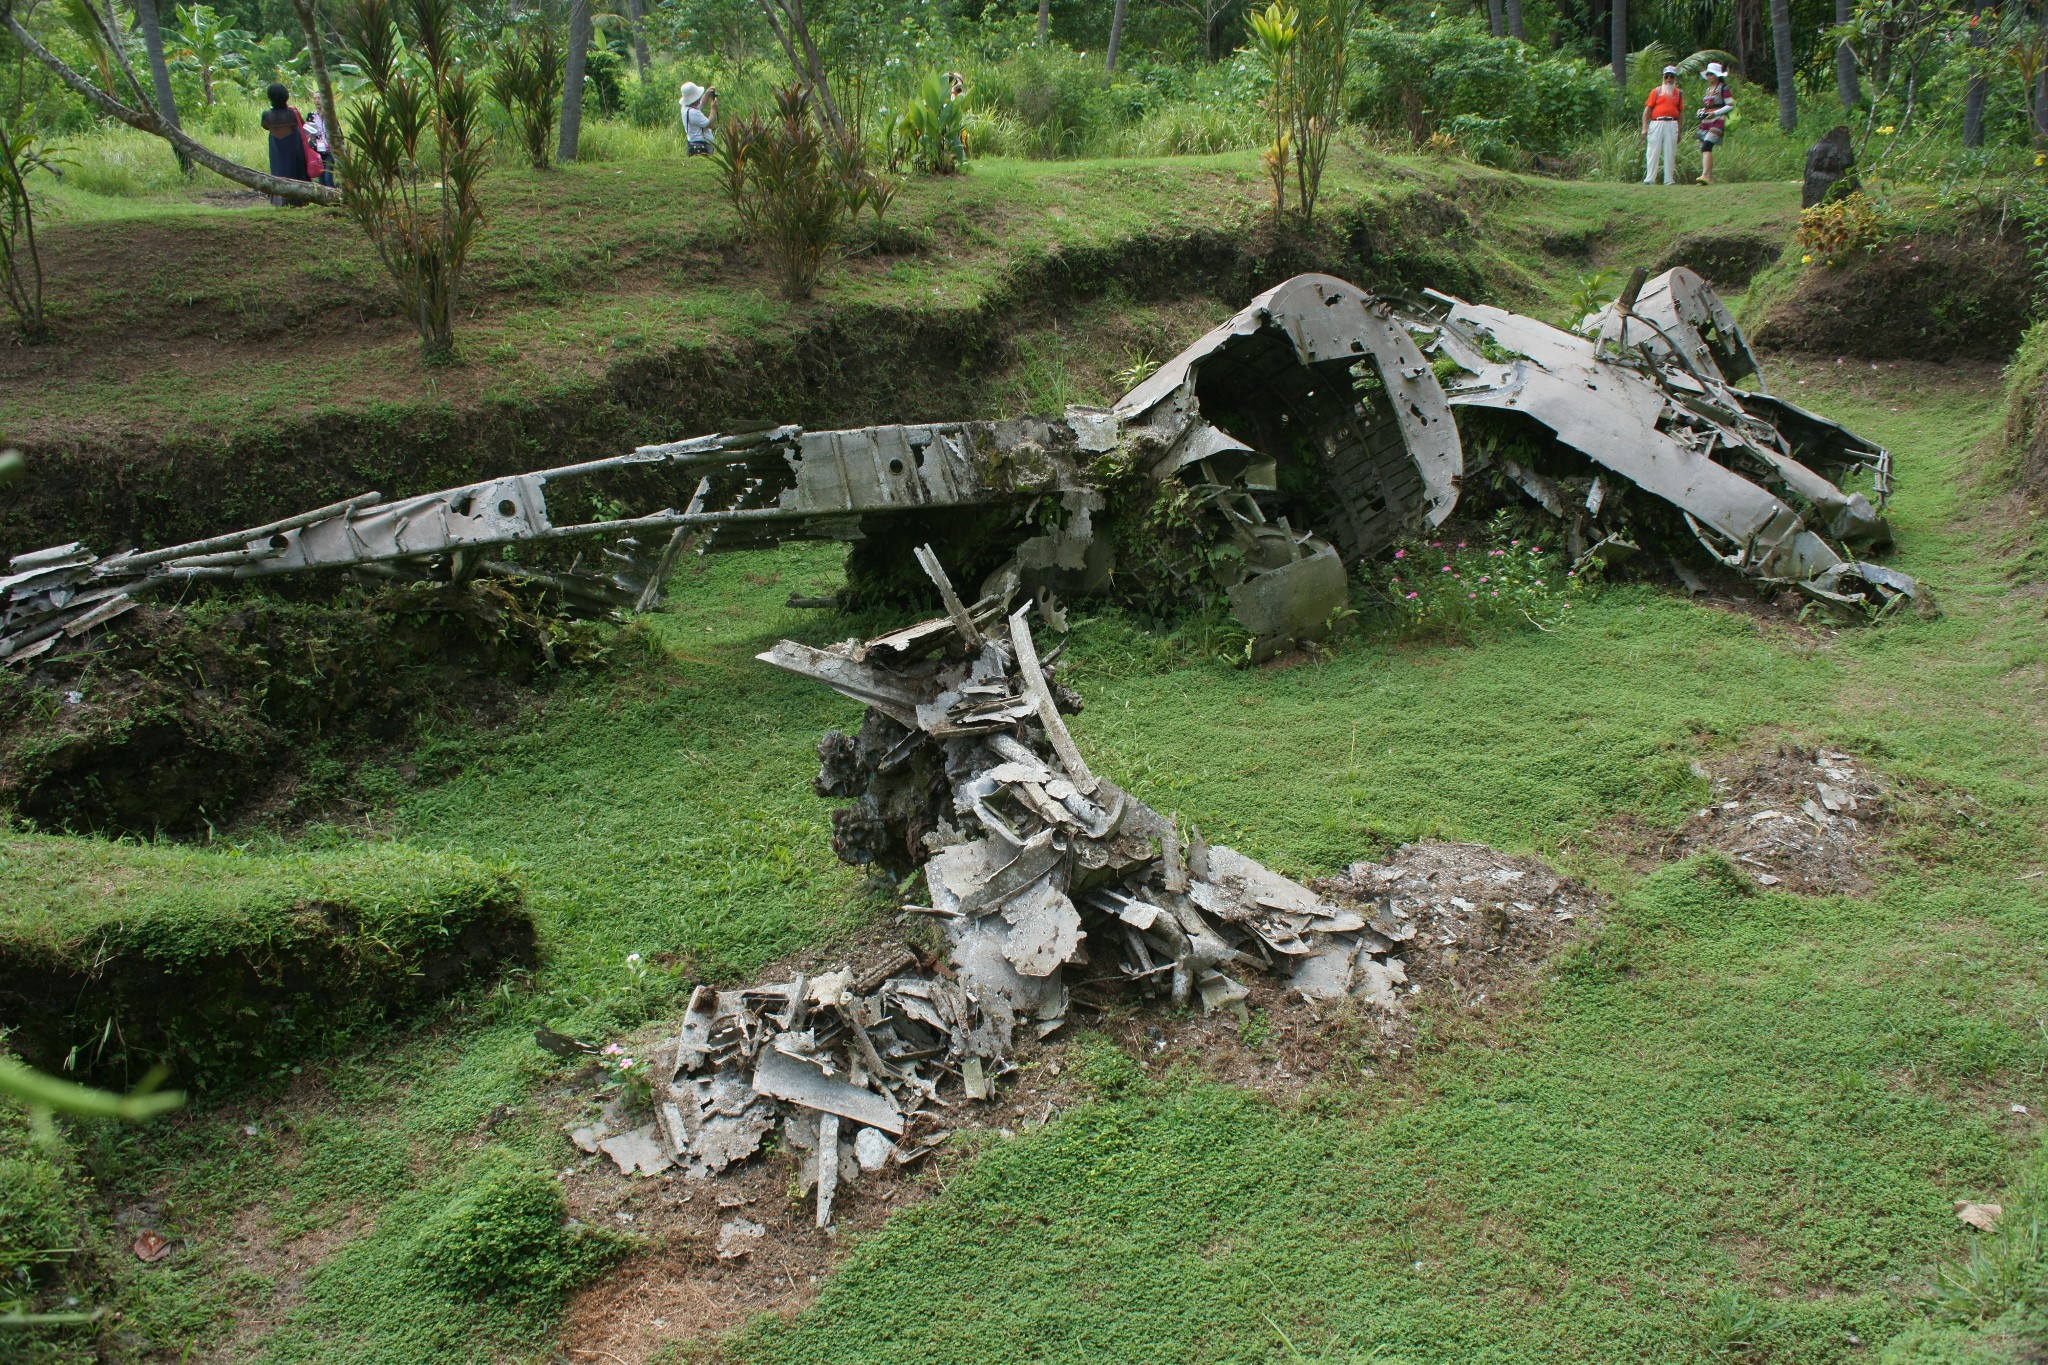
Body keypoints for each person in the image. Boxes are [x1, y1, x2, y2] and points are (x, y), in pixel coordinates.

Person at [259, 82, 314, 205]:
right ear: (286, 96)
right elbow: (302, 123)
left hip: (276, 150)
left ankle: (279, 201)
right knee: (296, 172)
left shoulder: (267, 116)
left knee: (278, 172)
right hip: (294, 148)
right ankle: (300, 200)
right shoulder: (292, 113)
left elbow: (265, 126)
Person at [1641, 65, 1683, 186]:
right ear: (1663, 78)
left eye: (1671, 77)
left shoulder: (1679, 93)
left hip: (1672, 123)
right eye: (1666, 77)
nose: (1669, 79)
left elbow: (1680, 113)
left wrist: (1680, 131)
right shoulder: (1656, 91)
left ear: (1675, 79)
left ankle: (1669, 180)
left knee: (1670, 152)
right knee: (1653, 151)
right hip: (1657, 123)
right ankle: (1649, 179)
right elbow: (1647, 110)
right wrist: (1644, 127)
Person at [1697, 62, 1733, 185]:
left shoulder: (1723, 87)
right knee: (1704, 148)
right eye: (1707, 74)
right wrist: (1702, 111)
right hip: (1706, 120)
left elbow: (1730, 105)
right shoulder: (1708, 90)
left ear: (1717, 75)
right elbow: (1706, 105)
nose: (1709, 76)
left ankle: (1706, 175)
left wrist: (1716, 113)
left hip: (1718, 120)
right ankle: (1707, 175)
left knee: (1707, 145)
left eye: (1711, 74)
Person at [679, 81, 716, 156]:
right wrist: (713, 109)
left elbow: (701, 103)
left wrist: (707, 93)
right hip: (702, 146)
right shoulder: (693, 113)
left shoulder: (685, 108)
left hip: (694, 144)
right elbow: (710, 124)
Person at [303, 106, 335, 188]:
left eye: (318, 98)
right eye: (315, 98)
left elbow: (337, 131)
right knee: (321, 177)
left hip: (330, 150)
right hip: (317, 151)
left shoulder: (330, 116)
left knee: (328, 176)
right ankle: (325, 199)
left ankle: (333, 197)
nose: (316, 100)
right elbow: (306, 133)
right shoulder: (311, 116)